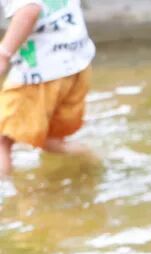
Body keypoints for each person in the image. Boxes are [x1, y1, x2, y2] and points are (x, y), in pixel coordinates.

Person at [0, 0, 95, 178]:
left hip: (40, 73)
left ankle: (4, 193)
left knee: (2, 140)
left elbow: (29, 9)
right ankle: (91, 160)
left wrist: (3, 54)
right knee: (50, 140)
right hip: (76, 63)